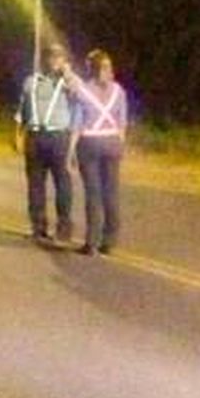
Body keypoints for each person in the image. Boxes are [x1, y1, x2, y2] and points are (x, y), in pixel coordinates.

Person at [13, 42, 76, 244]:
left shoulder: (67, 83)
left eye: (59, 57)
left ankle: (64, 228)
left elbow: (79, 95)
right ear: (45, 59)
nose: (54, 61)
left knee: (62, 184)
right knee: (35, 185)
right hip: (35, 136)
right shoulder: (31, 82)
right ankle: (38, 226)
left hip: (59, 137)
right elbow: (22, 109)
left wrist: (67, 74)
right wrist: (17, 134)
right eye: (51, 57)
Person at [67, 49, 128, 255]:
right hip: (112, 143)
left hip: (90, 143)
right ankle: (109, 240)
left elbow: (76, 124)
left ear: (90, 69)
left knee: (93, 194)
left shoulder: (82, 91)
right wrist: (119, 145)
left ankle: (91, 243)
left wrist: (70, 153)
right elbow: (122, 123)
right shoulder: (119, 91)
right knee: (111, 192)